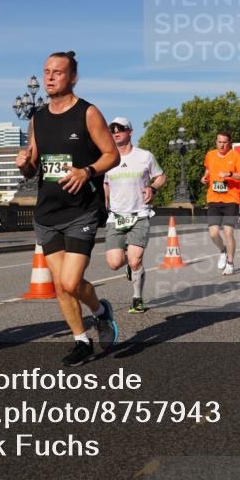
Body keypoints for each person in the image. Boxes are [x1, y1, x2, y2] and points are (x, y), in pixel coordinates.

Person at [15, 51, 121, 366]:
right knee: (61, 284)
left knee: (71, 282)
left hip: (81, 211)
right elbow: (34, 169)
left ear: (72, 77)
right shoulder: (37, 117)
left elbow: (111, 155)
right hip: (47, 214)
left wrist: (86, 171)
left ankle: (101, 312)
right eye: (46, 71)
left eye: (57, 72)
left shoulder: (87, 113)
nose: (49, 77)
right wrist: (24, 164)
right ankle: (81, 340)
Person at [102, 116, 166, 314]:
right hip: (116, 216)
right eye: (112, 130)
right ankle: (129, 265)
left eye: (121, 128)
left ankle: (137, 298)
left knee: (136, 259)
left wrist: (153, 188)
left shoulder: (144, 156)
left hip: (139, 213)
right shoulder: (107, 158)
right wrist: (105, 202)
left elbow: (161, 176)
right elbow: (105, 182)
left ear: (130, 131)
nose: (116, 132)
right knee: (114, 263)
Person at [201, 131, 240, 276]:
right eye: (219, 142)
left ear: (229, 143)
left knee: (228, 232)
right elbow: (208, 170)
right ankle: (222, 251)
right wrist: (204, 178)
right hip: (214, 199)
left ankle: (230, 262)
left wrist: (230, 174)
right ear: (216, 142)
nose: (222, 145)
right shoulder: (210, 155)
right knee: (213, 233)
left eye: (225, 142)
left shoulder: (235, 156)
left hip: (231, 200)